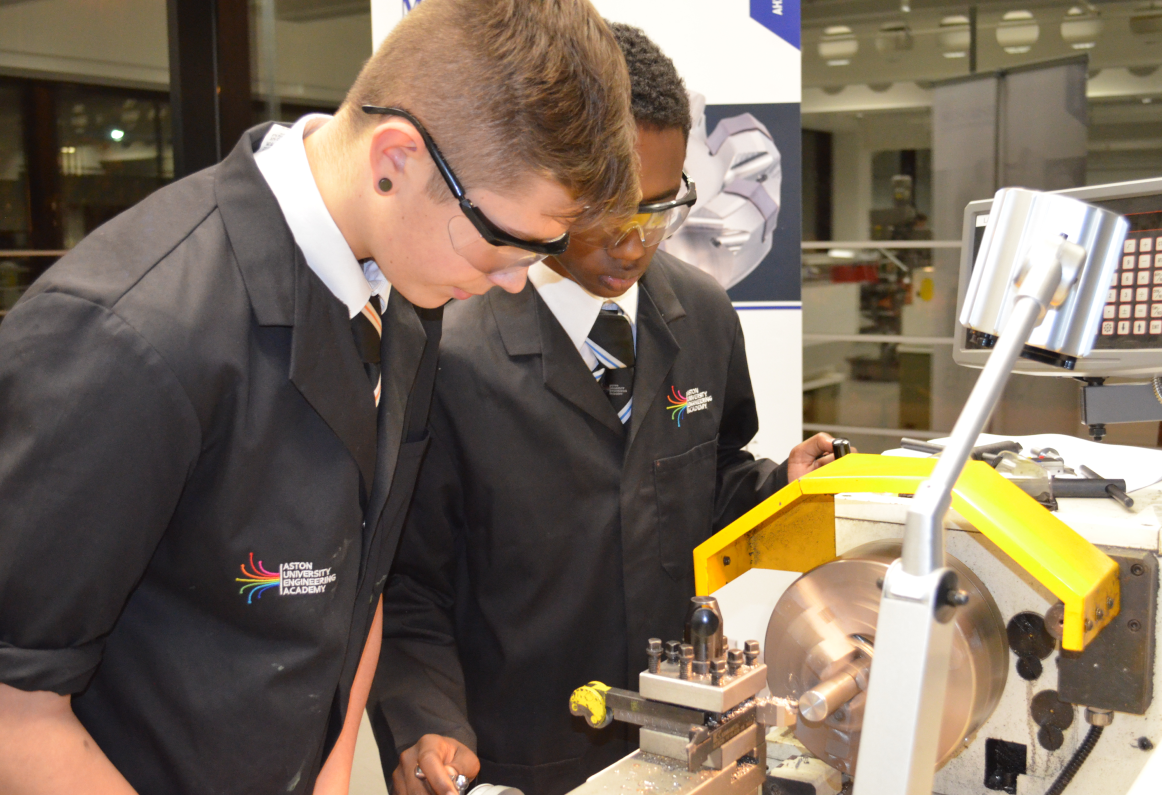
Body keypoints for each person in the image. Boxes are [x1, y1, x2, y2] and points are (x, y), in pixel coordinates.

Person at [0, 2, 638, 794]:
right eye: (506, 241)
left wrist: (333, 772)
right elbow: (13, 708)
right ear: (395, 158)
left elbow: (360, 571)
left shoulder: (402, 291)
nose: (515, 279)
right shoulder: (129, 333)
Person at [369, 23, 843, 795]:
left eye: (662, 208)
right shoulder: (443, 347)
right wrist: (426, 722)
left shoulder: (704, 315)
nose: (635, 243)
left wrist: (778, 484)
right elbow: (405, 580)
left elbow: (706, 480)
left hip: (682, 740)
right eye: (610, 208)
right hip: (514, 754)